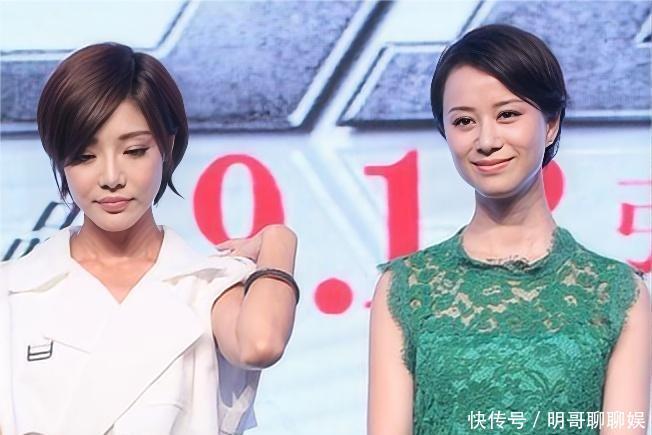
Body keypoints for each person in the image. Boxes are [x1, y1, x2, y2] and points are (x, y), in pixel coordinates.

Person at [0, 42, 299, 435]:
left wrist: (279, 240)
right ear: (60, 159)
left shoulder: (205, 285)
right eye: (85, 156)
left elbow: (261, 344)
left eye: (134, 150)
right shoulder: (13, 288)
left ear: (167, 147)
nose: (111, 177)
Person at [368, 24, 650, 435]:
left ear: (550, 124)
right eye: (464, 121)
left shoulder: (617, 293)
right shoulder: (406, 288)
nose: (486, 140)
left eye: (507, 115)